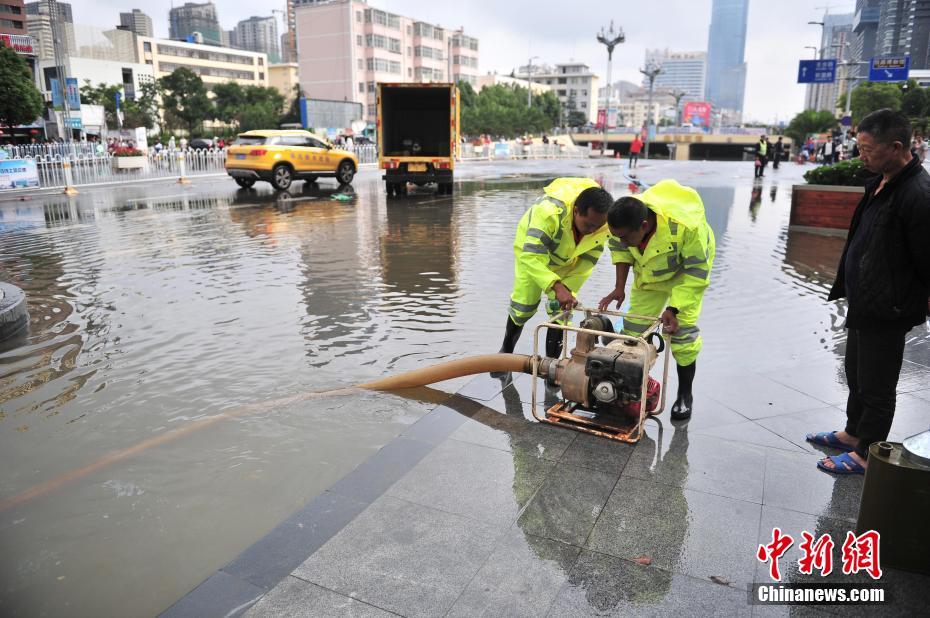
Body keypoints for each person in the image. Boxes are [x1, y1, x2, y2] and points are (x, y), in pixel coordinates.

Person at [808, 108, 930, 475]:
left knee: (877, 385)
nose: (861, 155)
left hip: (889, 307)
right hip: (866, 300)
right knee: (856, 373)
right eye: (858, 148)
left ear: (896, 147)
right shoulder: (881, 181)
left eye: (867, 149)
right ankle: (851, 433)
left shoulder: (917, 194)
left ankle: (866, 453)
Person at [599, 180, 716, 420]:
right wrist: (619, 287)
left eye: (625, 237)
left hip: (686, 275)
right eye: (616, 236)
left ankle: (685, 395)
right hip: (650, 273)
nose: (620, 241)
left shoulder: (688, 228)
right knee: (633, 333)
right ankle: (628, 391)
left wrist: (674, 308)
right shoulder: (621, 224)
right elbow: (620, 251)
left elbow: (697, 274)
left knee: (682, 335)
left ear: (644, 225)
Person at [493, 178, 614, 368]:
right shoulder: (548, 212)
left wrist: (566, 290)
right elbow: (531, 256)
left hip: (567, 261)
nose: (592, 231)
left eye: (596, 227)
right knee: (523, 305)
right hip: (532, 254)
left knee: (562, 310)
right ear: (576, 211)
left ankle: (551, 366)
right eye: (588, 225)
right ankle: (506, 352)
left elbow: (588, 261)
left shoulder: (602, 225)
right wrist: (554, 285)